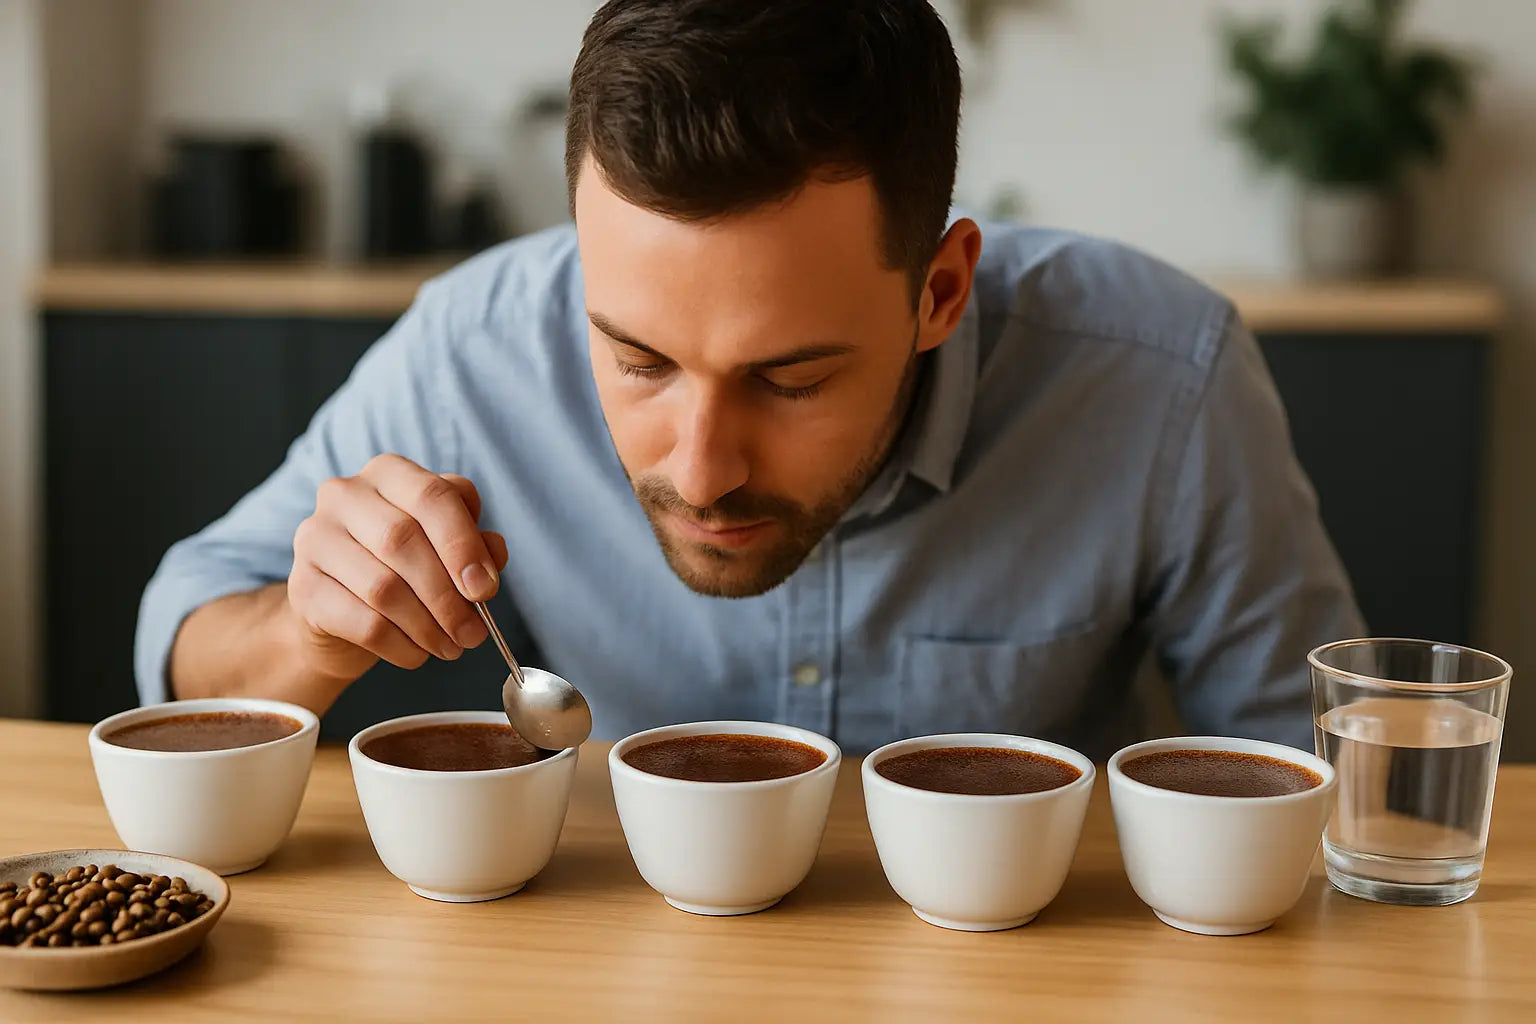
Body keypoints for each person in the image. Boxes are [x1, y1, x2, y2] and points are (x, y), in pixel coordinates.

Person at [135, 0, 1363, 758]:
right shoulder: (475, 348)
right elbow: (184, 646)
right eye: (638, 360)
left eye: (791, 378)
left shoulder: (1161, 379)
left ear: (939, 291)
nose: (702, 470)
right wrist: (309, 627)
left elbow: (1320, 773)